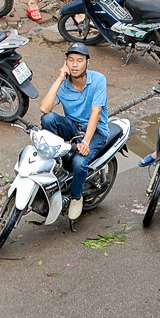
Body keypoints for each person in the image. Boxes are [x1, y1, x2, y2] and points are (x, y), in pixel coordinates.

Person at [38, 42, 110, 220]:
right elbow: (44, 108)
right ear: (66, 64)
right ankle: (55, 164)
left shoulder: (98, 80)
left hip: (96, 132)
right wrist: (59, 79)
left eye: (79, 60)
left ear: (87, 62)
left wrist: (85, 141)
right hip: (72, 127)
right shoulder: (64, 85)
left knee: (79, 163)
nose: (75, 65)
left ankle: (76, 197)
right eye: (71, 60)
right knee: (48, 119)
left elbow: (96, 113)